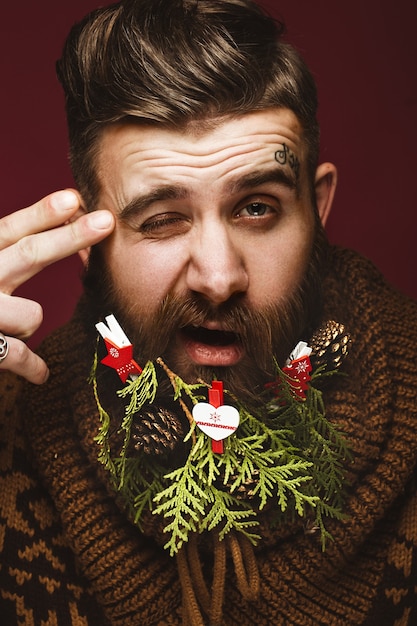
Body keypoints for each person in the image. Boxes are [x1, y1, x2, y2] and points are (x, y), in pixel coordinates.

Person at [0, 0, 416, 624]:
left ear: (317, 209)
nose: (219, 278)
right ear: (89, 245)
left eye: (257, 207)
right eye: (162, 219)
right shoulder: (15, 432)